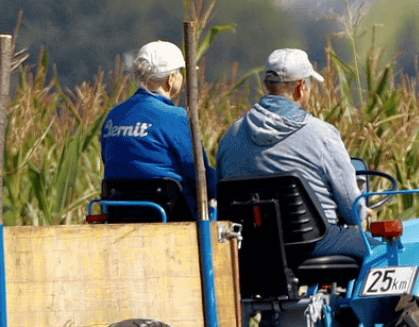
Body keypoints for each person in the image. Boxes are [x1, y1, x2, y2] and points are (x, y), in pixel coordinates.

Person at [216, 48, 367, 261]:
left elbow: (219, 196)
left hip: (252, 247)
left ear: (266, 86)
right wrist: (362, 216)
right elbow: (352, 210)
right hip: (313, 243)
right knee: (377, 248)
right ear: (301, 87)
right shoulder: (322, 134)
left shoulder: (231, 135)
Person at [100, 40, 216, 219]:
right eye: (180, 73)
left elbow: (108, 161)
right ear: (170, 80)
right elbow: (199, 176)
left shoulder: (113, 116)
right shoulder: (176, 117)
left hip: (120, 213)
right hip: (171, 214)